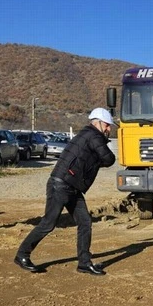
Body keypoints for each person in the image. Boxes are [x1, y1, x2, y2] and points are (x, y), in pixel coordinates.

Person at [14, 108, 116, 275]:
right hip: (60, 185)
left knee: (85, 222)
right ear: (97, 122)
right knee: (48, 224)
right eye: (106, 125)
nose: (108, 129)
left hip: (71, 186)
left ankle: (84, 262)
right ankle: (22, 255)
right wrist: (99, 160)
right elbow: (109, 159)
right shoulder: (93, 135)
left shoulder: (88, 134)